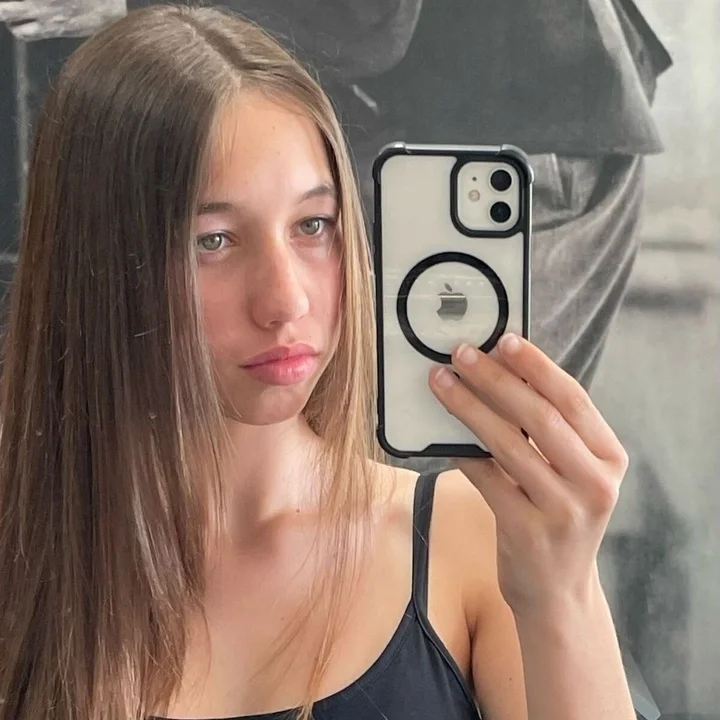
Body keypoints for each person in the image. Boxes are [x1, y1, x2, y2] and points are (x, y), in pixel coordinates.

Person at [0, 5, 636, 720]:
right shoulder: (28, 570)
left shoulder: (475, 540)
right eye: (213, 240)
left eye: (313, 225)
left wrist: (560, 598)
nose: (285, 301)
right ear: (97, 264)